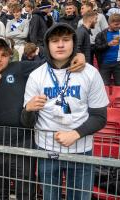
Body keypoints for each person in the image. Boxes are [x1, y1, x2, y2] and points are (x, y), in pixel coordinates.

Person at [0, 35, 85, 200]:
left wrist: (77, 55)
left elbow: (50, 61)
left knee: (26, 193)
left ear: (10, 56)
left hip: (24, 143)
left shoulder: (19, 68)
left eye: (4, 54)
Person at [22, 23, 108, 200]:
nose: (60, 45)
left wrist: (76, 134)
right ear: (47, 45)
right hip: (46, 150)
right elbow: (27, 122)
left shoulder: (90, 73)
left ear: (73, 43)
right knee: (49, 197)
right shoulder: (36, 76)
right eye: (54, 41)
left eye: (66, 40)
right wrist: (28, 109)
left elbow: (100, 117)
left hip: (81, 150)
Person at [95, 13, 120, 85]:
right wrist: (108, 44)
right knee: (104, 86)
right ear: (110, 23)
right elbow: (97, 48)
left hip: (118, 64)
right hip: (105, 64)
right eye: (116, 24)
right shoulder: (101, 34)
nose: (118, 26)